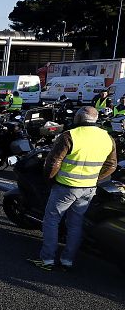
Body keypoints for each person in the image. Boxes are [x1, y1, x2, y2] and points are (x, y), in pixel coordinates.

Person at [29, 107, 117, 271]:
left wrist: (49, 180)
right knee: (75, 224)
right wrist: (95, 179)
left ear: (79, 118)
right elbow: (111, 165)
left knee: (51, 220)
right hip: (88, 188)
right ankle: (67, 260)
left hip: (66, 186)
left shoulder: (70, 135)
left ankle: (47, 259)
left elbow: (53, 162)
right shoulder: (107, 137)